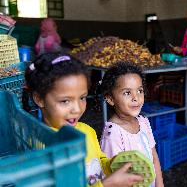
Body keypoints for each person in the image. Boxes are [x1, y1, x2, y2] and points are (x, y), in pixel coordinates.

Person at [25, 52, 143, 187]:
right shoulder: (42, 146)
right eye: (65, 101)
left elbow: (99, 162)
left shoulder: (87, 131)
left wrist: (112, 164)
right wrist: (107, 184)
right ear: (39, 99)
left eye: (82, 98)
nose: (77, 109)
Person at [98, 61, 164, 187]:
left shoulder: (143, 122)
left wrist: (159, 184)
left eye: (140, 91)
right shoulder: (113, 134)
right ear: (110, 99)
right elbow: (113, 177)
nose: (136, 97)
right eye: (127, 93)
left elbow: (154, 156)